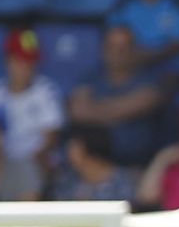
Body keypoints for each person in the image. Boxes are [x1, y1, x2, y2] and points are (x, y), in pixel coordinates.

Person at [68, 25, 172, 169]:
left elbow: (143, 102)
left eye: (124, 47)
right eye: (112, 46)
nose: (118, 52)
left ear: (134, 50)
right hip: (94, 165)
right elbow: (78, 112)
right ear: (103, 49)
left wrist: (95, 110)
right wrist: (118, 110)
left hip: (137, 166)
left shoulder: (150, 80)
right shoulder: (91, 78)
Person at [0, 30, 65, 202]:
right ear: (7, 61)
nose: (25, 67)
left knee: (29, 169)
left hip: (35, 160)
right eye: (20, 61)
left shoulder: (44, 91)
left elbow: (51, 136)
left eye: (29, 61)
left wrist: (32, 158)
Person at [48, 123, 138, 203]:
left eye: (73, 147)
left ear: (87, 149)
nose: (68, 153)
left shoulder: (123, 181)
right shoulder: (67, 180)